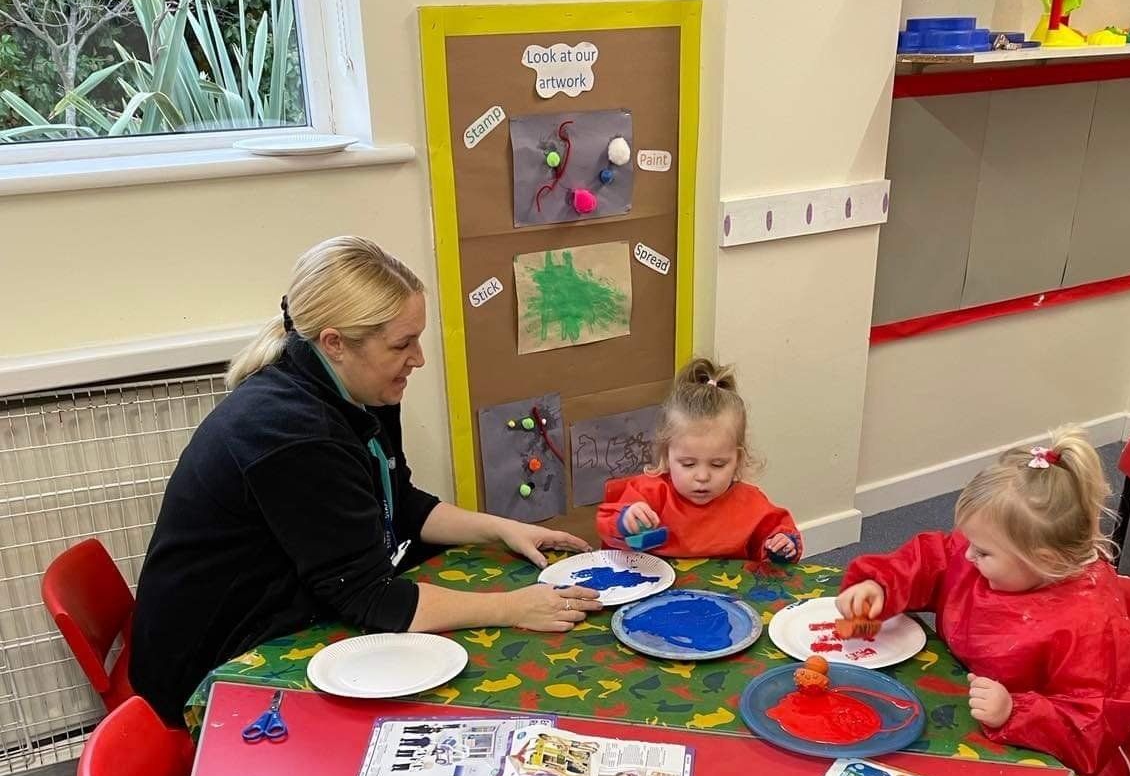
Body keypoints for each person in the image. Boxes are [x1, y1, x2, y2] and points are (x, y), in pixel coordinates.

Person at [130, 238, 600, 723]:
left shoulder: (359, 390)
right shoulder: (292, 431)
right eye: (402, 344)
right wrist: (511, 608)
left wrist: (501, 528)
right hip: (213, 668)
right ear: (335, 343)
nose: (418, 358)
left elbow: (398, 502)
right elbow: (372, 598)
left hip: (284, 611)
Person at [836, 429, 1130, 776]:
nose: (968, 555)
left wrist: (1014, 711)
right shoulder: (994, 553)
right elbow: (934, 559)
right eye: (970, 542)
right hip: (966, 700)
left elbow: (1090, 724)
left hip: (1037, 750)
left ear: (1044, 560)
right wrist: (880, 584)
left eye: (982, 552)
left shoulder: (1091, 626)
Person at [595, 358, 802, 560]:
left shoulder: (750, 502)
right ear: (666, 455)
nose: (702, 476)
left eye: (718, 464)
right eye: (688, 464)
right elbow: (607, 522)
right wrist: (625, 521)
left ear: (738, 459)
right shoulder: (649, 493)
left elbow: (778, 532)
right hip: (657, 581)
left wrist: (782, 544)